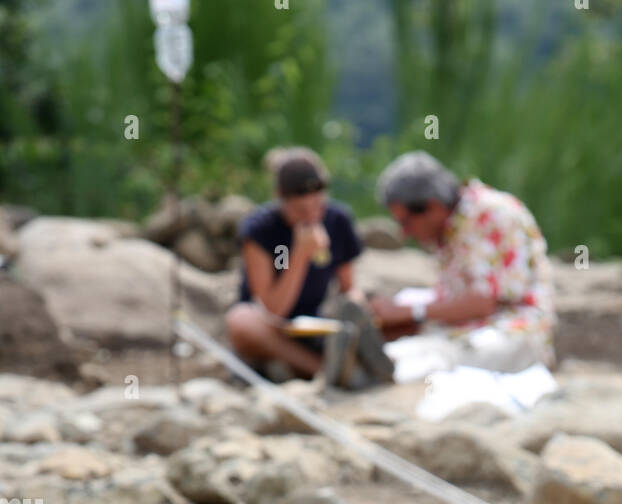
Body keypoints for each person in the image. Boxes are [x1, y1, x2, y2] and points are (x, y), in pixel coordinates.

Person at [369, 152, 556, 377]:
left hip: (515, 332)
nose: (404, 233)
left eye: (406, 222)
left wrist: (411, 312)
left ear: (433, 206)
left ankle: (381, 370)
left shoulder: (490, 213)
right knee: (418, 349)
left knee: (444, 359)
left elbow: (482, 302)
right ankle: (375, 361)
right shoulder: (451, 226)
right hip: (464, 331)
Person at [226, 147, 392, 388]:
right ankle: (329, 371)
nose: (312, 216)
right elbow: (274, 309)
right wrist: (300, 254)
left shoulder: (336, 221)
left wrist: (356, 306)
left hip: (314, 322)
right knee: (240, 320)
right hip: (273, 327)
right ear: (281, 200)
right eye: (301, 210)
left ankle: (358, 358)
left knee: (369, 309)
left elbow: (348, 288)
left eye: (317, 208)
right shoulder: (263, 230)